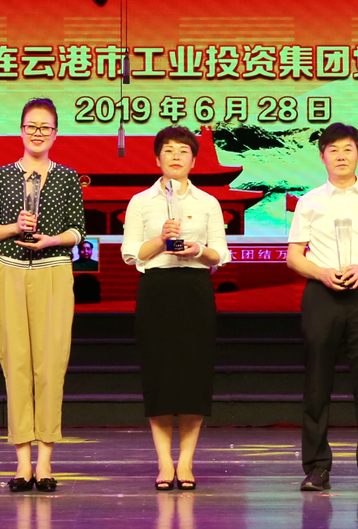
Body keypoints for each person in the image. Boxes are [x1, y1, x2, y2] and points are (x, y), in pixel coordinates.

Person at [286, 122, 358, 492]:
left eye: (348, 149)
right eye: (333, 150)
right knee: (316, 383)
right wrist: (321, 273)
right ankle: (316, 467)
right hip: (321, 294)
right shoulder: (309, 201)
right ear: (322, 156)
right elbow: (294, 255)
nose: (341, 156)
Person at [0, 98, 86, 493]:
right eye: (31, 126)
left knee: (51, 365)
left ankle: (45, 463)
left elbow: (79, 230)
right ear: (21, 130)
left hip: (53, 271)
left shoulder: (68, 177)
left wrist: (52, 239)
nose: (38, 133)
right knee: (16, 364)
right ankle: (22, 463)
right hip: (9, 270)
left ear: (55, 133)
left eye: (45, 127)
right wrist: (12, 228)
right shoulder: (1, 176)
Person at [121, 125, 230, 491]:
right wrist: (160, 239)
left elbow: (221, 253)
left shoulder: (208, 202)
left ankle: (186, 462)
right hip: (157, 290)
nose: (176, 156)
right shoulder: (141, 201)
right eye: (168, 150)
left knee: (193, 377)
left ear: (194, 161)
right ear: (158, 159)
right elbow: (131, 253)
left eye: (184, 151)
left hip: (195, 289)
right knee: (160, 376)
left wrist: (198, 250)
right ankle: (164, 462)